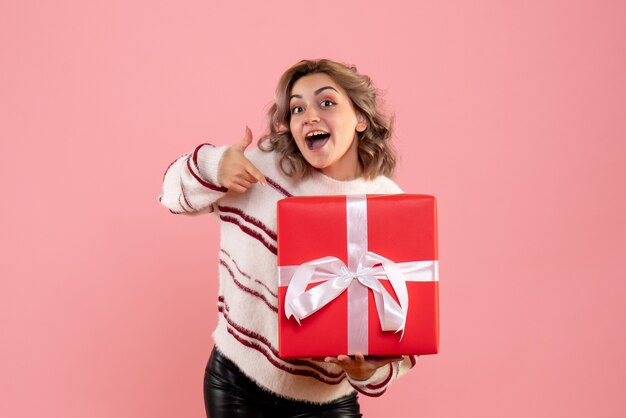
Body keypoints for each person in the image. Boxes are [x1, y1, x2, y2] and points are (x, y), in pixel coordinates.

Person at [159, 59, 418, 418]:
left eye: (326, 102)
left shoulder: (390, 206)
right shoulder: (265, 170)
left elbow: (402, 338)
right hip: (236, 382)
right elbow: (171, 196)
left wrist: (366, 373)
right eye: (297, 108)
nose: (309, 116)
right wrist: (215, 168)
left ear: (361, 118)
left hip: (326, 401)